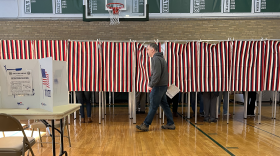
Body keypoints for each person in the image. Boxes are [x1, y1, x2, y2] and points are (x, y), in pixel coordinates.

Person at [136, 43, 175, 131]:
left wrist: (151, 84)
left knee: (153, 106)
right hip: (162, 86)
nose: (147, 51)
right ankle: (171, 123)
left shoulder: (156, 59)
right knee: (165, 105)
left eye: (148, 49)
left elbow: (156, 75)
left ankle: (145, 125)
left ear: (152, 50)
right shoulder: (161, 58)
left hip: (158, 86)